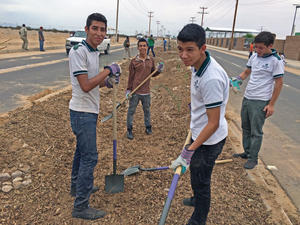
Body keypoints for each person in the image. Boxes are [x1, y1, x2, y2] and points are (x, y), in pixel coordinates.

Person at [170, 23, 229, 225]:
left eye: (189, 50)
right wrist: (195, 105)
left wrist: (189, 150)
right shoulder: (197, 66)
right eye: (180, 49)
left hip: (209, 139)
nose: (183, 55)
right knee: (196, 172)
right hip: (200, 131)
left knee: (202, 180)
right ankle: (196, 198)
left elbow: (213, 123)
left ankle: (199, 219)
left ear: (203, 48)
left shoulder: (210, 78)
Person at [68, 12, 121, 220]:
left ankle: (77, 187)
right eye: (95, 28)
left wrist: (106, 82)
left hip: (88, 111)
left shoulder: (93, 52)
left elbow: (92, 81)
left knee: (81, 153)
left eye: (102, 29)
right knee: (90, 157)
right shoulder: (79, 51)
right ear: (87, 28)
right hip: (82, 113)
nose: (99, 33)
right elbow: (85, 85)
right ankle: (81, 206)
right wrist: (108, 71)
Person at [232, 31, 284, 169]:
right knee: (246, 127)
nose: (257, 50)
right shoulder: (254, 57)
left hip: (260, 101)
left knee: (256, 131)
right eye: (256, 47)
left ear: (270, 46)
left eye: (261, 48)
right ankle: (247, 152)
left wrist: (271, 105)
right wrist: (237, 80)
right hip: (248, 97)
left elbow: (279, 83)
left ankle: (253, 158)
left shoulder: (276, 61)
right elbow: (246, 72)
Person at [126, 38, 163, 140]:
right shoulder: (134, 62)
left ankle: (148, 127)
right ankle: (129, 129)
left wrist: (158, 70)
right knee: (131, 111)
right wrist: (128, 90)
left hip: (146, 92)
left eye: (144, 45)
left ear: (147, 47)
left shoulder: (150, 60)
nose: (142, 47)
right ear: (138, 48)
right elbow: (131, 77)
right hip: (135, 91)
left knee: (147, 111)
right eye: (140, 46)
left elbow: (153, 74)